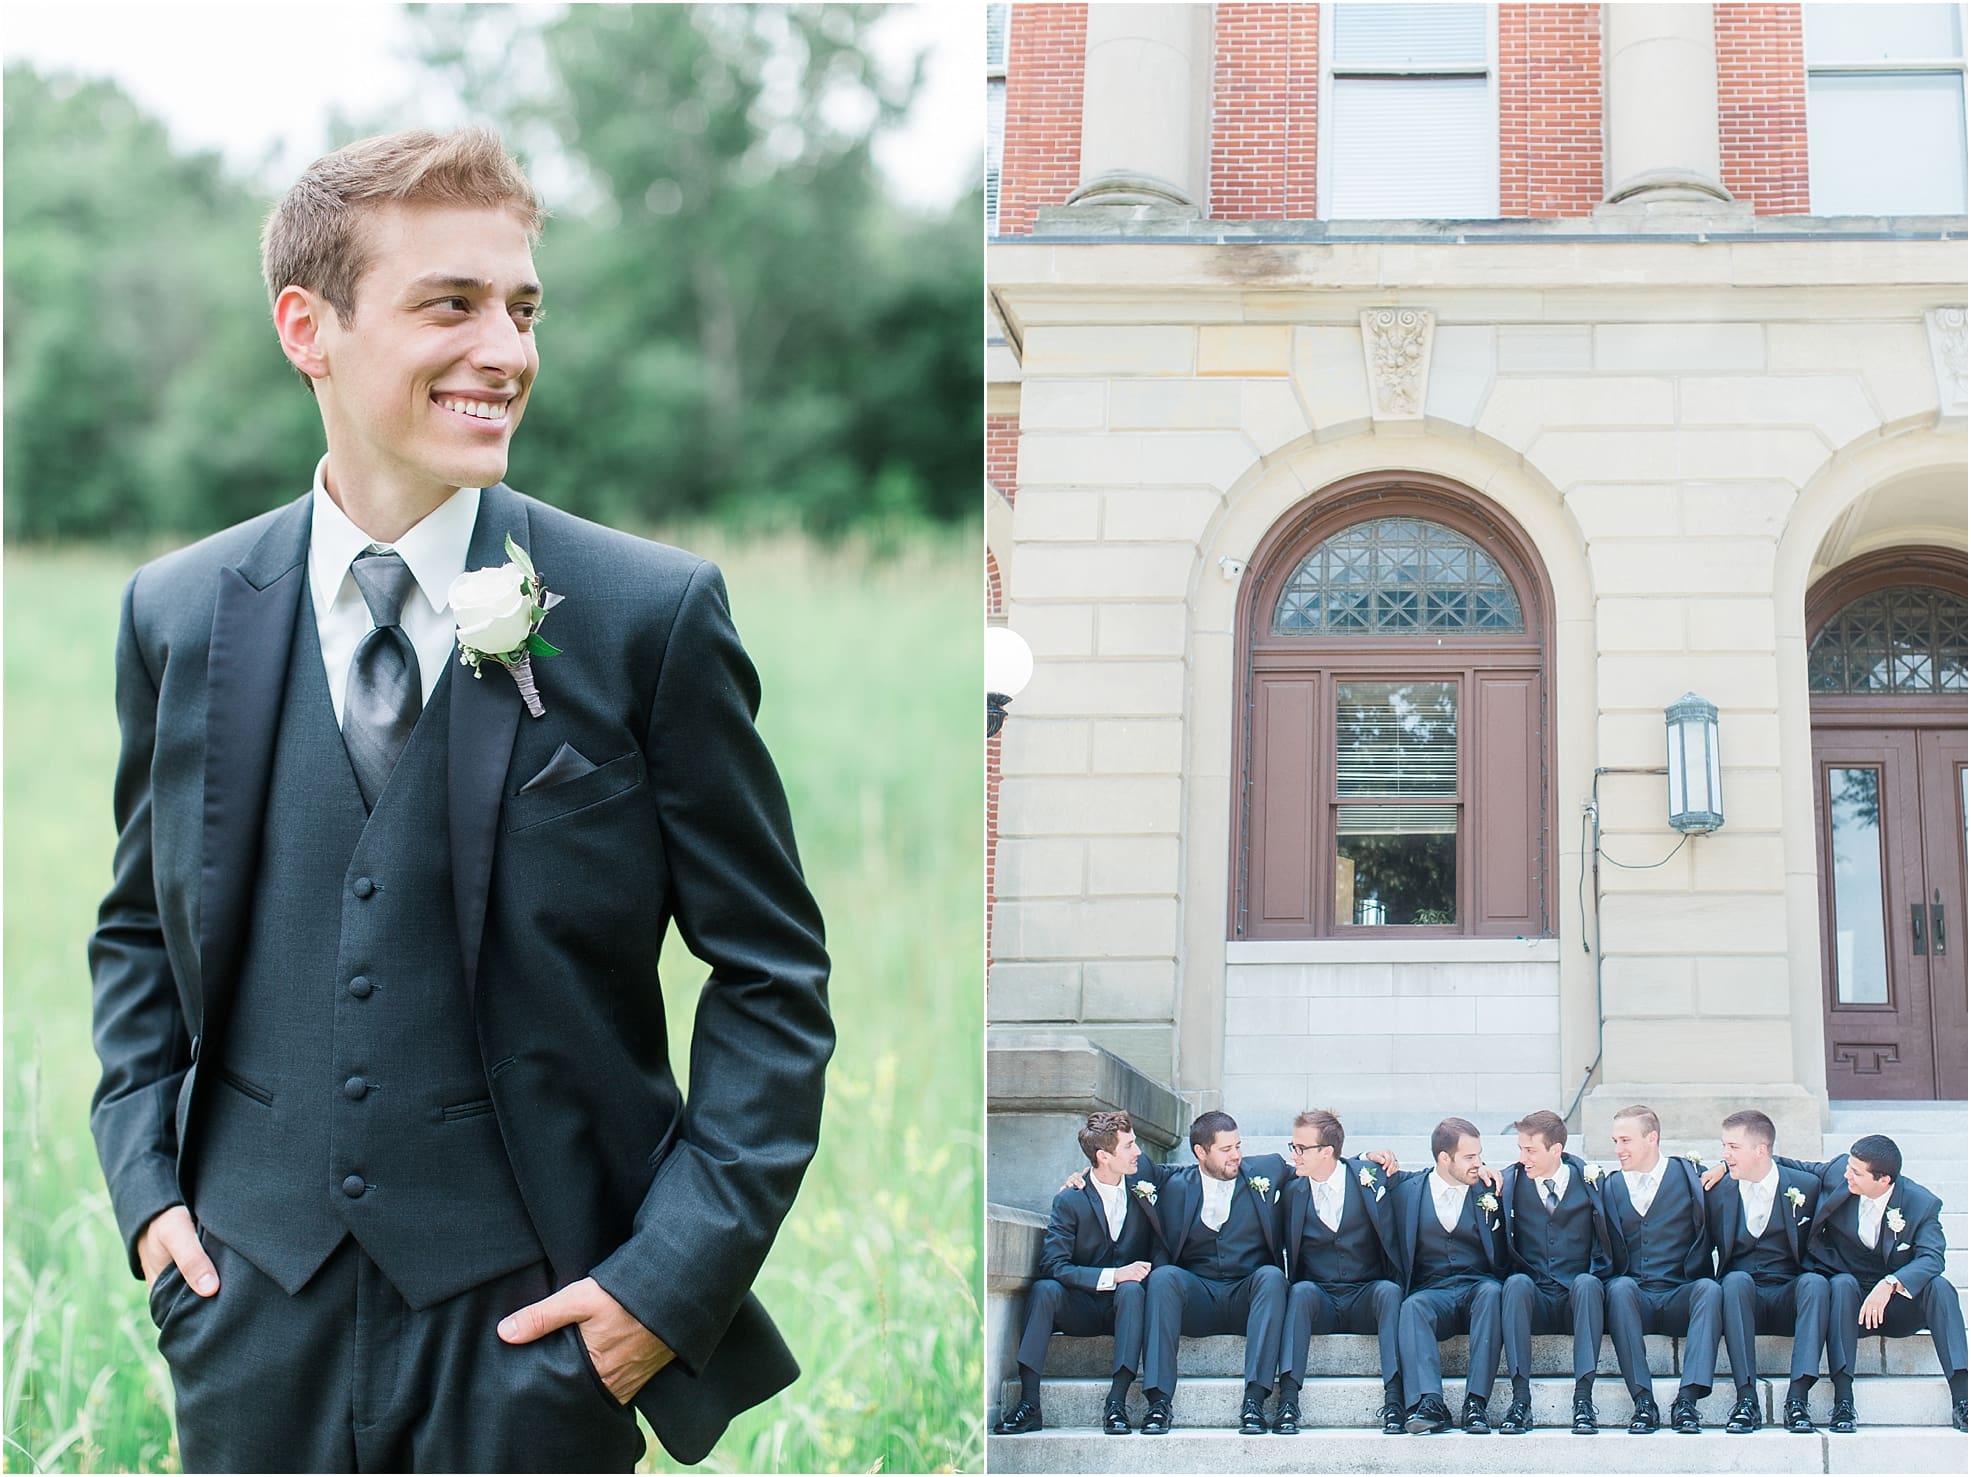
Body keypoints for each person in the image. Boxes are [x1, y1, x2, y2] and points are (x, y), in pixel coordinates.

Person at [88, 128, 833, 1472]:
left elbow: (772, 978)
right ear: (307, 327)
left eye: (523, 308)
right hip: (250, 1320)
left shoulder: (643, 618)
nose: (507, 350)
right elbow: (141, 929)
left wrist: (659, 1291)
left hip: (538, 1333)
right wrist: (151, 1202)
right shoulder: (180, 613)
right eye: (452, 303)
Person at [996, 1111, 1162, 1437]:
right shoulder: (1070, 1199)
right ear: (1103, 1156)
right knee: (1045, 1289)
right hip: (1080, 1307)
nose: (1138, 1152)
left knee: (1130, 1291)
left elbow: (1197, 1173)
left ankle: (1117, 1402)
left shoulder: (1144, 1183)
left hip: (1126, 1308)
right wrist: (1113, 1275)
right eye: (1129, 1146)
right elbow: (1054, 1265)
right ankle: (1030, 1403)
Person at [1794, 1135, 1967, 1434]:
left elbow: (1932, 1258)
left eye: (1857, 1172)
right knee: (1843, 1285)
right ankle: (1843, 1402)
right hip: (1847, 1303)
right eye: (1849, 1167)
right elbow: (1787, 1166)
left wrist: (1890, 1284)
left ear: (1884, 1180)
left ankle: (1963, 1398)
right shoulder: (1840, 1173)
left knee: (1941, 1288)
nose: (1848, 1175)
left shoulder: (1921, 1203)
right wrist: (1723, 1166)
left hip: (1895, 1305)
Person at [1135, 1112, 1291, 1435]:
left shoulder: (1267, 1170)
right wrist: (1084, 1175)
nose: (1236, 1155)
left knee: (1273, 1277)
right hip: (1199, 1298)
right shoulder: (1174, 1184)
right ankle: (1159, 1403)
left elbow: (1320, 1167)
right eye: (1225, 1149)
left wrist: (1366, 1160)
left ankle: (1254, 1401)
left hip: (1248, 1299)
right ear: (1200, 1153)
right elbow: (1126, 1169)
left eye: (1238, 1145)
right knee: (1163, 1277)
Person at [1275, 1109, 1407, 1436]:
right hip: (1319, 1297)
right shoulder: (1292, 1189)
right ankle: (1288, 1401)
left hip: (1365, 1295)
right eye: (1293, 1146)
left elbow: (1424, 1181)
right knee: (1300, 1291)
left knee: (1389, 1292)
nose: (1294, 1155)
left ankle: (1395, 1401)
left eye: (1301, 1148)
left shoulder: (1368, 1176)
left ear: (1327, 1152)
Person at [1704, 1109, 1828, 1435]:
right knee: (1735, 1280)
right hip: (1741, 1294)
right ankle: (1747, 1400)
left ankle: (1797, 1399)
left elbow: (1844, 1167)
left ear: (1761, 1150)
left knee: (1815, 1284)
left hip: (1789, 1290)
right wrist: (1725, 1166)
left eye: (1732, 1147)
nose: (1724, 1155)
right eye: (1723, 1147)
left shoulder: (1806, 1186)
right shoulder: (1717, 1190)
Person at [1600, 1104, 1722, 1434]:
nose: (1618, 1150)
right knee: (1619, 1288)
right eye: (1614, 1141)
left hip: (1679, 1293)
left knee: (1710, 1290)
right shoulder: (1608, 1185)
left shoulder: (1690, 1175)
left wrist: (1725, 1165)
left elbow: (1755, 1167)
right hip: (1634, 1299)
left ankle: (1687, 1402)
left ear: (1652, 1138)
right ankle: (1643, 1401)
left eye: (1625, 1140)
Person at [1495, 1109, 1616, 1435]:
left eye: (1530, 1150)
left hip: (1577, 1299)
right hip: (1535, 1298)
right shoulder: (1510, 1183)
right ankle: (1521, 1400)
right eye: (1520, 1149)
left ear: (1556, 1150)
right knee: (1516, 1284)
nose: (1523, 1158)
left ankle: (1583, 1400)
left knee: (1589, 1284)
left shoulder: (1591, 1181)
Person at [1390, 1117, 1508, 1435]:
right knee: (1412, 1306)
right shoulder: (1407, 1191)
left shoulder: (1489, 1187)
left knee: (1492, 1293)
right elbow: (1360, 1174)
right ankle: (1429, 1402)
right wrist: (1372, 1155)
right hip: (1433, 1290)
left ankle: (1476, 1403)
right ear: (1444, 1158)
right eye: (1469, 1157)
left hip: (1477, 1286)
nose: (1478, 1163)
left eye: (1479, 1156)